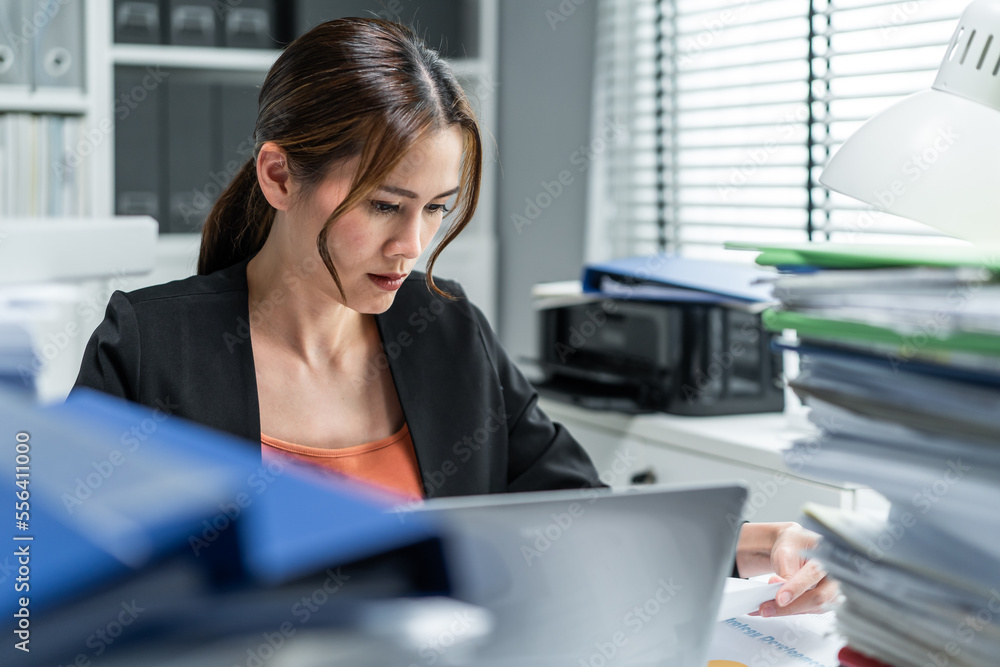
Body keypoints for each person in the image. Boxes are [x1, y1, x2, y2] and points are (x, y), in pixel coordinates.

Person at [74, 17, 836, 618]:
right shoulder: (148, 346)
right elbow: (51, 593)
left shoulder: (446, 332)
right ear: (278, 175)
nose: (411, 247)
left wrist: (756, 545)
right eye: (383, 205)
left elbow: (577, 522)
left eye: (435, 209)